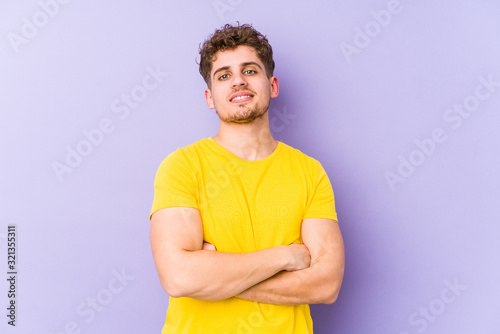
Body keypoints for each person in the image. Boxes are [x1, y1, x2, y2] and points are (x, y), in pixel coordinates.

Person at [149, 23, 345, 333]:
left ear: (273, 85)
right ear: (210, 97)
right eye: (224, 75)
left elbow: (326, 284)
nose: (238, 81)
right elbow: (178, 277)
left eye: (250, 71)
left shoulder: (310, 172)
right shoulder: (182, 166)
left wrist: (218, 279)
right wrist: (286, 256)